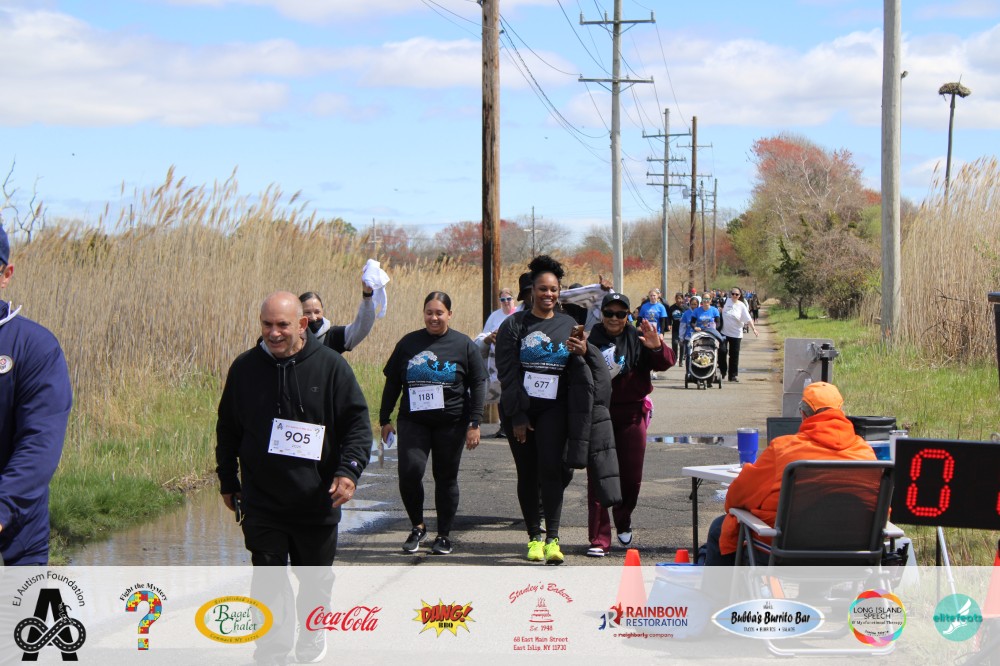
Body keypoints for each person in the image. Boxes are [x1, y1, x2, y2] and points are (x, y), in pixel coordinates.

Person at [216, 291, 372, 664]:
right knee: (268, 577)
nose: (274, 333)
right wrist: (228, 480)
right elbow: (228, 428)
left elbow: (356, 425)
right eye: (267, 324)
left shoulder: (331, 367)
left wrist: (348, 471)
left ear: (302, 324)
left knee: (315, 580)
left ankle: (312, 635)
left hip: (316, 499)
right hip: (263, 500)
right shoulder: (245, 369)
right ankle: (272, 651)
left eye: (282, 325)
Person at [703, 382, 877, 566]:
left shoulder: (783, 449)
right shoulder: (865, 453)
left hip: (787, 555)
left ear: (803, 414)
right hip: (854, 557)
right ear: (841, 412)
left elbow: (736, 498)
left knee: (719, 528)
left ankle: (720, 586)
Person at [494, 255, 589, 565]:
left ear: (559, 292)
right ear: (531, 291)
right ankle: (534, 537)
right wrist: (518, 416)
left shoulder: (568, 324)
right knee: (527, 472)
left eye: (553, 289)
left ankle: (553, 539)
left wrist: (583, 351)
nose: (548, 294)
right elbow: (507, 374)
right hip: (520, 409)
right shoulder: (514, 325)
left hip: (554, 410)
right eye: (542, 289)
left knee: (551, 469)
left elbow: (577, 369)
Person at [379, 291, 486, 555]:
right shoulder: (408, 343)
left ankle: (444, 535)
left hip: (451, 422)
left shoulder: (463, 344)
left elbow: (478, 383)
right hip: (414, 420)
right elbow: (393, 383)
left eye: (439, 313)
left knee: (445, 477)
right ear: (424, 314)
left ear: (449, 314)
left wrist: (475, 422)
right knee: (410, 472)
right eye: (429, 312)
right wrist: (384, 418)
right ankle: (418, 526)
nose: (434, 318)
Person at [0, 226, 73, 566]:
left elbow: (40, 441)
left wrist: (3, 507)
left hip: (16, 535)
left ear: (6, 275)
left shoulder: (36, 347)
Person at [585, 293, 675, 556]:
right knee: (599, 476)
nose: (614, 318)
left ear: (628, 316)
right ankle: (599, 539)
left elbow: (666, 362)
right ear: (601, 314)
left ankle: (623, 519)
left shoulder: (639, 338)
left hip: (633, 414)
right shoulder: (590, 341)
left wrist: (656, 346)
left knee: (631, 478)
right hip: (599, 413)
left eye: (620, 314)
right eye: (609, 313)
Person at [474, 287, 517, 439]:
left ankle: (514, 425)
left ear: (514, 300)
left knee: (512, 392)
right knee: (500, 392)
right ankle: (503, 426)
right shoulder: (494, 316)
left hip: (514, 358)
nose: (506, 302)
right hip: (496, 359)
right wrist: (490, 338)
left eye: (508, 299)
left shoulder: (518, 313)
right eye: (502, 300)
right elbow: (484, 335)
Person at [299, 283, 375, 354]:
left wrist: (367, 297)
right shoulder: (293, 337)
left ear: (322, 310)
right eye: (307, 312)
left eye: (317, 312)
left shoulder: (334, 336)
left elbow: (361, 327)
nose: (313, 317)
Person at [718, 286, 758, 383]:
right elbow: (717, 311)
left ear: (739, 295)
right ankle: (723, 371)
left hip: (736, 334)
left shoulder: (741, 305)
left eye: (737, 294)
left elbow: (748, 318)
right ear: (730, 294)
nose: (734, 296)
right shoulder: (726, 302)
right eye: (733, 294)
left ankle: (733, 375)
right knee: (722, 352)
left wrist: (754, 329)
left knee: (734, 355)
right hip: (724, 332)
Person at [666, 292, 688, 362]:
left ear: (683, 299)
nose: (679, 300)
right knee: (675, 343)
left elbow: (689, 316)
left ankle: (681, 360)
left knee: (682, 344)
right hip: (675, 328)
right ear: (675, 299)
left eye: (680, 298)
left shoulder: (686, 308)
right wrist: (669, 324)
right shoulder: (672, 308)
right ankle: (675, 357)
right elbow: (669, 317)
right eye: (678, 298)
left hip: (683, 329)